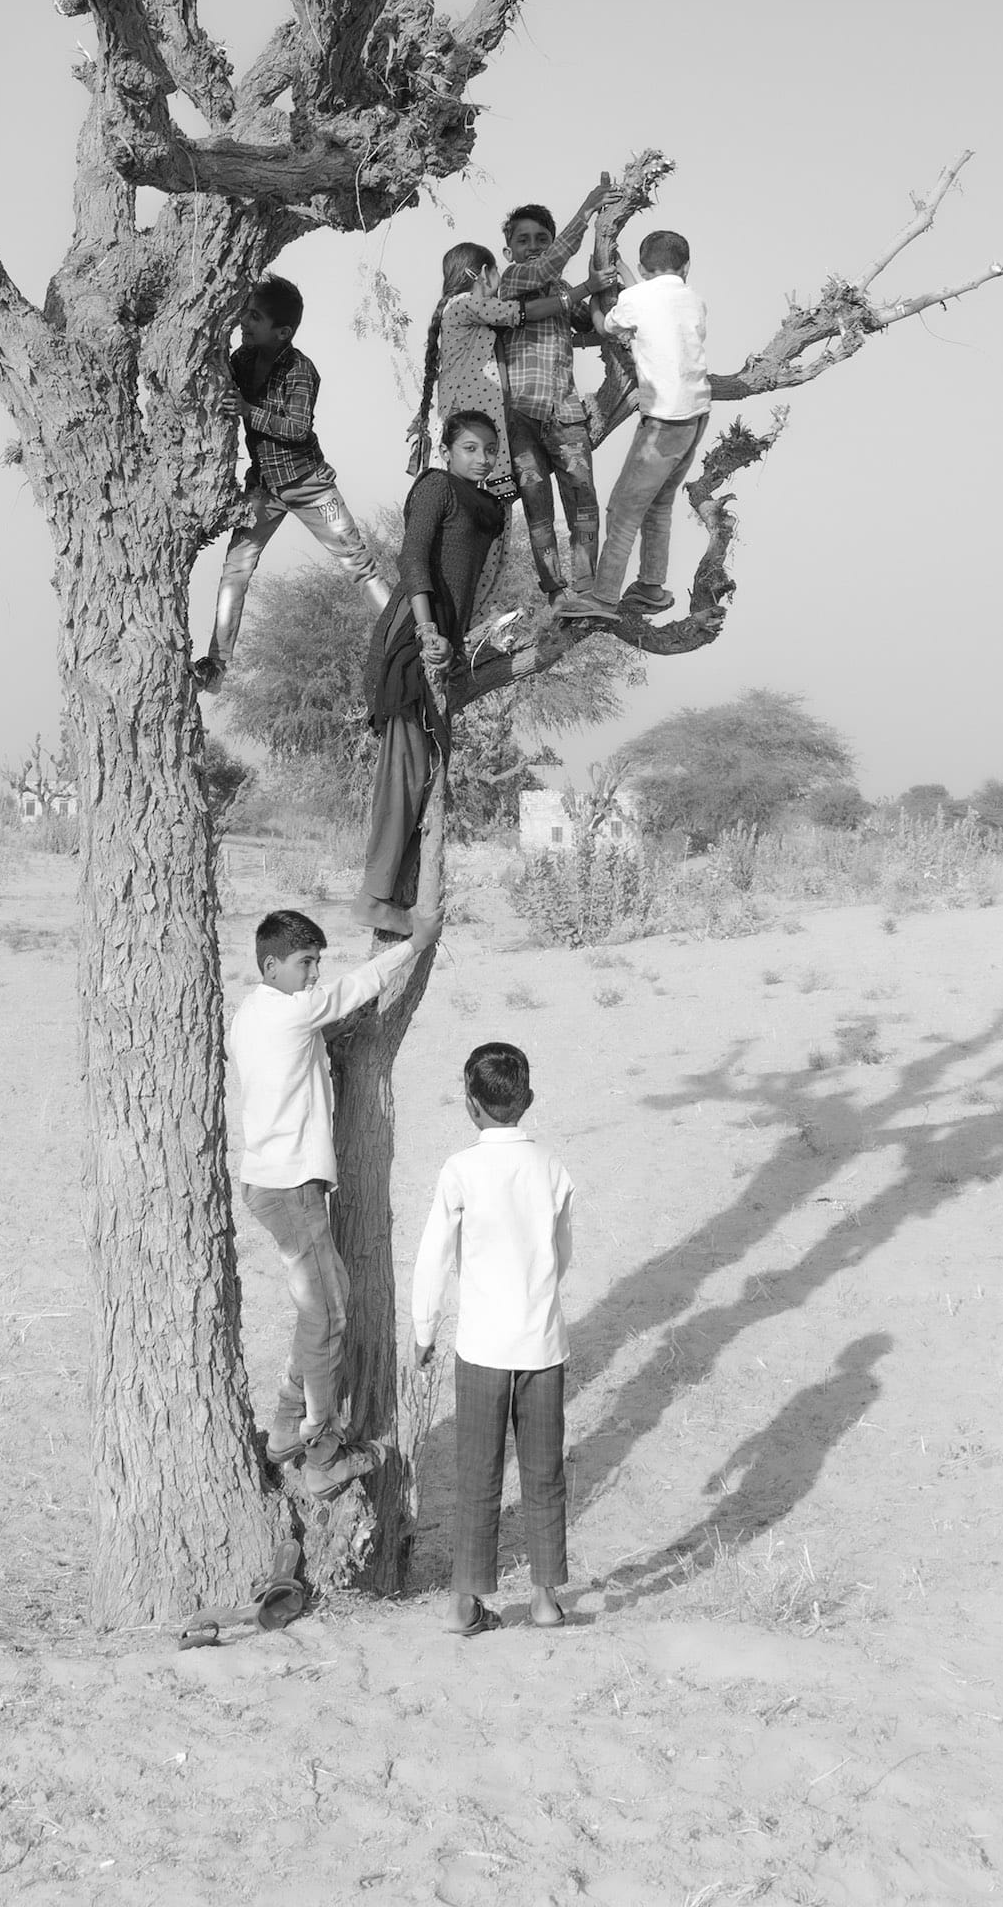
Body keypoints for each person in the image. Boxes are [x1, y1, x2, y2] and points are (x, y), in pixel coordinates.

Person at [230, 892, 444, 1493]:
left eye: (316, 962)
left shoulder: (251, 1014)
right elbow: (360, 985)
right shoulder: (288, 1011)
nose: (314, 974)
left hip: (279, 1184)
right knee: (329, 1314)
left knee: (325, 1304)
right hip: (289, 1188)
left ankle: (282, 1432)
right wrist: (417, 941)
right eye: (305, 962)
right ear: (270, 966)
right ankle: (321, 1456)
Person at [411, 1039, 575, 1637]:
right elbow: (563, 1257)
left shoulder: (460, 1169)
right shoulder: (551, 1166)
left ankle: (463, 1604)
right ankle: (545, 1599)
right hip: (542, 1344)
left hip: (482, 1347)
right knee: (544, 1470)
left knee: (478, 1470)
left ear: (469, 1105)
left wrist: (423, 1330)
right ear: (526, 1100)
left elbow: (434, 1257)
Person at [193, 274, 390, 691]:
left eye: (256, 318)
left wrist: (247, 409)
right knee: (236, 571)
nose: (245, 323)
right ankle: (217, 665)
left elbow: (298, 428)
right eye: (246, 314)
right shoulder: (243, 360)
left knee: (357, 563)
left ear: (283, 331)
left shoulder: (301, 370)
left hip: (309, 484)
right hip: (264, 487)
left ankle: (407, 637)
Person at [357, 410, 506, 939]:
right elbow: (413, 558)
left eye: (490, 449)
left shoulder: (489, 501)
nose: (482, 459)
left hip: (448, 642)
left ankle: (389, 891)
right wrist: (428, 633)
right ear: (447, 450)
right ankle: (375, 899)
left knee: (422, 773)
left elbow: (524, 484)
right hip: (413, 635)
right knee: (403, 769)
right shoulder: (436, 486)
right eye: (469, 448)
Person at [559, 227, 711, 621]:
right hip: (696, 415)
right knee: (659, 503)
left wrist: (597, 303)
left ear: (644, 267)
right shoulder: (693, 300)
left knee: (623, 511)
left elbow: (607, 326)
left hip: (664, 421)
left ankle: (603, 597)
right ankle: (651, 585)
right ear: (687, 267)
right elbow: (650, 295)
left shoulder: (634, 299)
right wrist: (624, 269)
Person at [497, 185, 611, 601]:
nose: (533, 247)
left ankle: (587, 587)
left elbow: (596, 325)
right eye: (523, 240)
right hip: (522, 414)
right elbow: (547, 268)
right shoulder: (511, 281)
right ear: (508, 251)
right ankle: (556, 591)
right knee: (537, 506)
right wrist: (587, 210)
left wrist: (601, 279)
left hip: (564, 410)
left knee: (583, 500)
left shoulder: (560, 286)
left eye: (541, 238)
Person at [406, 244, 526, 481]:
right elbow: (522, 312)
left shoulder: (457, 308)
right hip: (472, 421)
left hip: (466, 421)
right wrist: (576, 294)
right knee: (475, 499)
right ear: (483, 273)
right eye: (497, 271)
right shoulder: (467, 303)